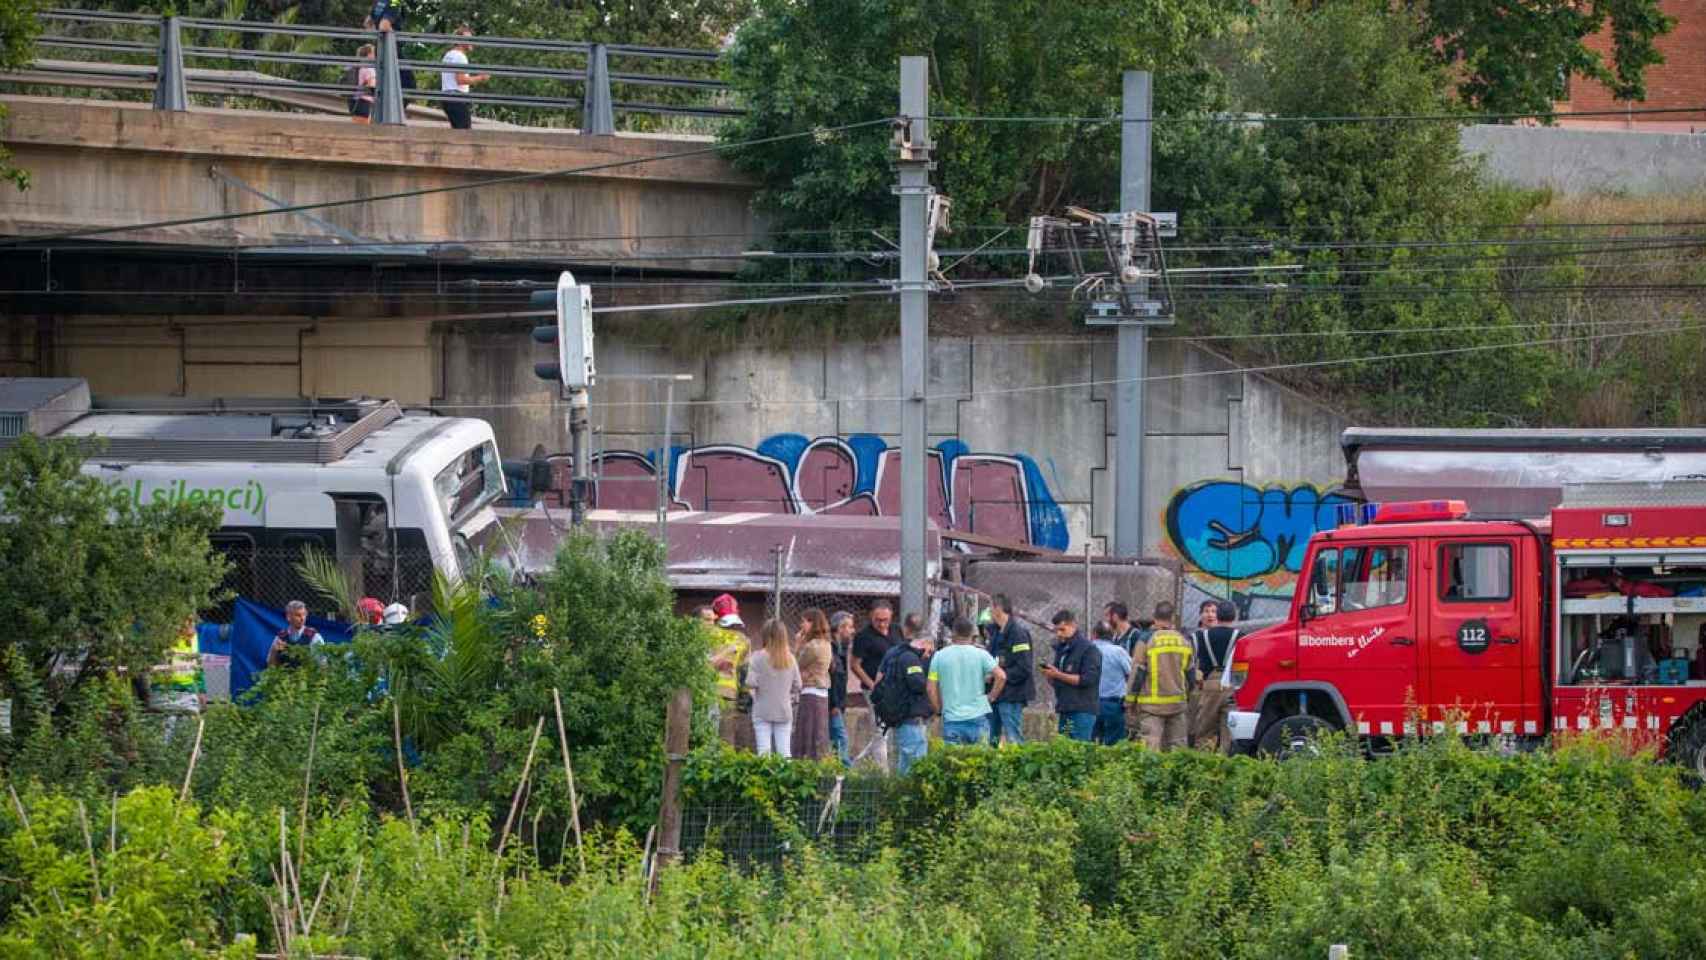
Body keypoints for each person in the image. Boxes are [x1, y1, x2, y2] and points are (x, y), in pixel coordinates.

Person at [929, 616, 1006, 745]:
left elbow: (930, 689)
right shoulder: (981, 654)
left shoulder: (939, 656)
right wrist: (991, 697)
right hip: (978, 716)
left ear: (953, 633)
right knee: (980, 761)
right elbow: (1001, 676)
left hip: (952, 718)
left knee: (953, 762)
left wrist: (938, 710)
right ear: (972, 634)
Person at [1128, 601, 1194, 752]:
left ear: (1154, 618)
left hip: (1151, 707)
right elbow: (1191, 674)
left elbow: (1137, 673)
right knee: (1178, 749)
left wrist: (1130, 701)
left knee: (1150, 748)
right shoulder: (1184, 640)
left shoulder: (1146, 640)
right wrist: (1188, 697)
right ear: (1172, 619)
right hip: (1178, 705)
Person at [873, 624, 933, 774]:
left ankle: (901, 794)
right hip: (910, 718)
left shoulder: (896, 653)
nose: (928, 655)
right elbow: (918, 685)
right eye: (929, 650)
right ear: (924, 643)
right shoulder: (911, 659)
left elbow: (879, 678)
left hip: (901, 717)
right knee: (916, 766)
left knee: (905, 765)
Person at [1040, 610, 1100, 741]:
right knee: (1064, 752)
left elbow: (1087, 679)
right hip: (1064, 707)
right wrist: (1051, 676)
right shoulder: (1062, 649)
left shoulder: (1088, 649)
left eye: (1062, 629)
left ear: (1073, 625)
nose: (1059, 634)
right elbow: (1059, 680)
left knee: (1079, 751)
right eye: (1056, 630)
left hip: (1082, 710)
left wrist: (1058, 674)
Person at [850, 601, 897, 768]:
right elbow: (855, 665)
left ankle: (857, 763)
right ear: (871, 616)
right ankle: (882, 772)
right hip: (874, 691)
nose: (882, 624)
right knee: (881, 730)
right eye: (878, 620)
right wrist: (872, 685)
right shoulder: (863, 637)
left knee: (885, 732)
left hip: (895, 690)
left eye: (885, 619)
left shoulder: (895, 631)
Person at [745, 619, 801, 758]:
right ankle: (786, 779)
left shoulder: (757, 657)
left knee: (763, 752)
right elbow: (798, 685)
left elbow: (750, 682)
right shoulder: (790, 658)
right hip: (784, 709)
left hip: (762, 709)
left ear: (765, 635)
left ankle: (765, 779)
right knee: (785, 752)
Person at [1191, 600, 1241, 752]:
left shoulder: (1201, 636)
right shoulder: (1241, 637)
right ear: (1234, 617)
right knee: (1229, 733)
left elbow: (1196, 662)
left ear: (1217, 616)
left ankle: (1203, 762)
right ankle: (1226, 765)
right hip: (1231, 686)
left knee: (1205, 729)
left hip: (1210, 684)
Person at [707, 593, 755, 751]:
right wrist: (744, 694)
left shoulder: (707, 634)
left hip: (708, 692)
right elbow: (744, 672)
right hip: (730, 694)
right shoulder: (743, 640)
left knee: (707, 737)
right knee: (726, 740)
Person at [985, 594, 1033, 746]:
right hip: (995, 693)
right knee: (990, 738)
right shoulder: (996, 633)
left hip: (1011, 695)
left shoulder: (1018, 634)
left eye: (990, 607)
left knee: (1013, 737)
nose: (989, 611)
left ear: (998, 609)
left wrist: (999, 675)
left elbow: (1024, 667)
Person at [792, 609, 833, 760]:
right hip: (821, 692)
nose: (801, 625)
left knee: (807, 733)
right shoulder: (826, 643)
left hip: (811, 691)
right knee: (818, 734)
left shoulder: (812, 646)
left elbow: (795, 665)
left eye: (804, 621)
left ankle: (806, 764)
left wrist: (797, 644)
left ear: (812, 622)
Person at [1091, 621, 1133, 745]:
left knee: (1090, 744)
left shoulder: (1087, 650)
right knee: (1114, 746)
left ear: (1094, 634)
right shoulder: (1118, 652)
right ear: (1112, 635)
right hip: (1113, 705)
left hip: (1089, 704)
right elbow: (1132, 673)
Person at [440, 26, 489, 130]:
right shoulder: (460, 57)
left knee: (459, 132)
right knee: (465, 134)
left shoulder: (448, 55)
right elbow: (461, 80)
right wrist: (481, 78)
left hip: (447, 98)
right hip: (457, 99)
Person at [827, 611, 855, 765]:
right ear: (840, 628)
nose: (852, 631)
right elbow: (832, 679)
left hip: (838, 704)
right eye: (849, 627)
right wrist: (835, 704)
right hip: (833, 705)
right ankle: (845, 772)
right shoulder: (831, 649)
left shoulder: (841, 650)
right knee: (840, 738)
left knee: (837, 739)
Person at [268, 600, 322, 667]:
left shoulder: (314, 636)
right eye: (298, 615)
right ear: (288, 617)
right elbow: (270, 665)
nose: (302, 618)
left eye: (304, 614)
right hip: (285, 677)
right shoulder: (281, 637)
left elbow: (322, 665)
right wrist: (274, 651)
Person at [348, 44, 377, 123]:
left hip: (353, 101)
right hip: (364, 102)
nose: (375, 55)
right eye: (374, 53)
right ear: (369, 54)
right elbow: (372, 86)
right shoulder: (369, 68)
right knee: (363, 131)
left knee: (356, 129)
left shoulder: (356, 66)